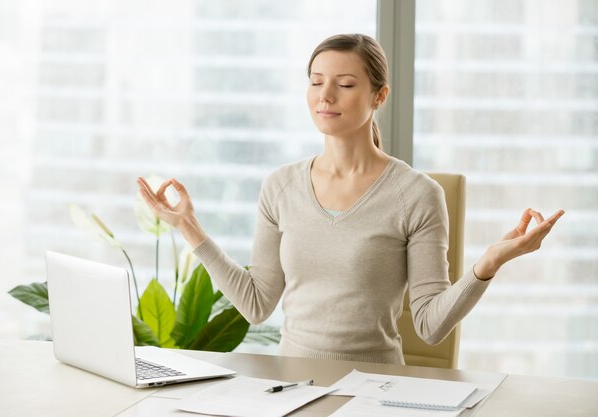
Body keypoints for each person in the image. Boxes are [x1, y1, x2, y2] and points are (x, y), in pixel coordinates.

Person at [137, 34, 564, 364]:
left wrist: (489, 263)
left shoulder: (417, 195)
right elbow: (255, 305)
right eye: (316, 82)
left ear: (379, 96)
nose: (325, 96)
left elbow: (430, 327)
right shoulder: (280, 186)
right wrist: (188, 228)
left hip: (374, 388)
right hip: (292, 389)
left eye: (344, 84)